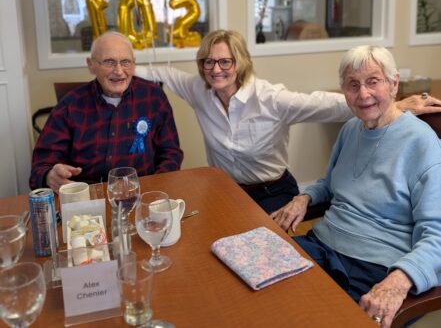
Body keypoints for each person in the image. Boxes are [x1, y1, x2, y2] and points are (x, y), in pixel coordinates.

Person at [136, 29, 441, 213]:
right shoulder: (198, 91)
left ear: (240, 63)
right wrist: (120, 69)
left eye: (225, 61)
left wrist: (393, 105)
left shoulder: (271, 98)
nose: (216, 69)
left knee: (261, 250)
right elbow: (162, 73)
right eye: (208, 61)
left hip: (273, 191)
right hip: (227, 190)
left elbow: (327, 105)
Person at [271, 45, 441, 327]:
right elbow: (330, 184)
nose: (363, 94)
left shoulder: (423, 144)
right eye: (353, 84)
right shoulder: (351, 128)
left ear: (393, 83)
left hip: (375, 267)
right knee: (262, 291)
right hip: (322, 245)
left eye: (373, 81)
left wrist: (399, 280)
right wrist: (304, 198)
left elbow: (437, 234)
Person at [30, 31, 183, 193]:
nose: (119, 71)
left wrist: (155, 188)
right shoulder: (70, 105)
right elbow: (40, 167)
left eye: (125, 62)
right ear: (91, 65)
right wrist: (49, 176)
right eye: (109, 62)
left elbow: (171, 153)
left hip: (141, 192)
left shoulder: (154, 97)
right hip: (86, 196)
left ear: (134, 64)